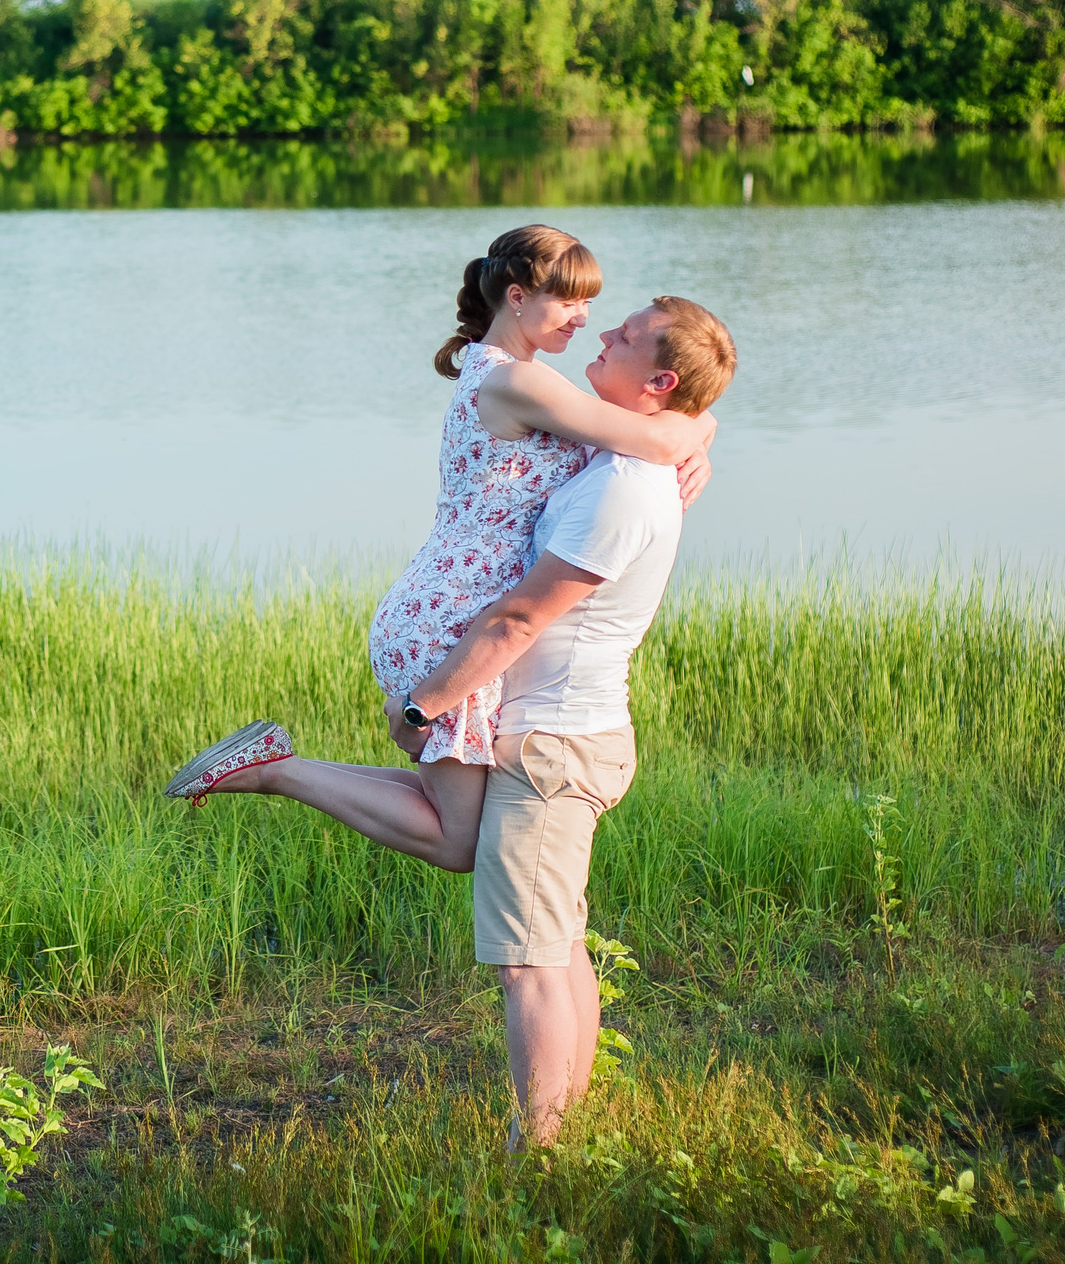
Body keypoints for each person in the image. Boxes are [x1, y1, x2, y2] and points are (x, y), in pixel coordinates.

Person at [172, 291, 739, 1147]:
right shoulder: (618, 458)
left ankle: (537, 1159)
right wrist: (702, 433)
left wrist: (423, 703)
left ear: (656, 380)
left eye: (623, 335)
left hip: (551, 742)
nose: (602, 331)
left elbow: (518, 619)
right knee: (551, 938)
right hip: (564, 733)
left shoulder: (619, 490)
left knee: (528, 960)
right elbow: (672, 428)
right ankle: (564, 1137)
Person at [161, 222, 712, 866]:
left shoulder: (509, 373)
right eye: (569, 301)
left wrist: (700, 428)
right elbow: (659, 436)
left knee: (459, 818)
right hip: (456, 618)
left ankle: (274, 764)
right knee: (461, 841)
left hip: (448, 604)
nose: (584, 320)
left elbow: (654, 423)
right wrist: (702, 432)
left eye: (588, 303)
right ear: (515, 297)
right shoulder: (520, 384)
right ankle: (274, 771)